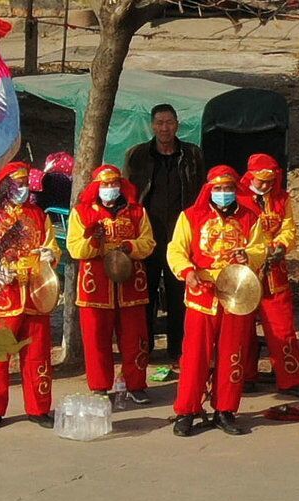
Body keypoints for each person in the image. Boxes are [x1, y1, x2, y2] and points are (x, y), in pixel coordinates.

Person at [167, 164, 271, 438]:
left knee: (233, 355)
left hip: (237, 295)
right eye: (218, 189)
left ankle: (225, 410)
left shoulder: (250, 218)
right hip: (203, 295)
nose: (223, 193)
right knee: (194, 356)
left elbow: (260, 248)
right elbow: (176, 250)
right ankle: (186, 410)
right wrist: (188, 272)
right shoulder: (191, 216)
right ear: (209, 189)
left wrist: (248, 256)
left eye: (228, 189)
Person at [124, 103, 204, 373]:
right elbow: (130, 196)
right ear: (152, 125)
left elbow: (201, 195)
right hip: (149, 235)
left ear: (177, 124)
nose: (164, 128)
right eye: (159, 123)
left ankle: (178, 351)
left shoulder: (192, 155)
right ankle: (143, 349)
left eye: (169, 122)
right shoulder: (137, 156)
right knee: (144, 296)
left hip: (181, 236)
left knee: (178, 293)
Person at [66, 164, 155, 404]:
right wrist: (94, 242)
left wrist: (129, 247)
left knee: (135, 338)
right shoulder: (82, 212)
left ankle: (135, 383)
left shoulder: (136, 211)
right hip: (96, 286)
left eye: (114, 184)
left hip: (130, 284)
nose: (110, 188)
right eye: (105, 185)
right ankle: (99, 386)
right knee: (96, 339)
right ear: (96, 187)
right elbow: (74, 248)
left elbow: (148, 243)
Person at [0, 162, 57, 429]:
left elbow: (51, 246)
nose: (22, 188)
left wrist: (50, 256)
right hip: (5, 296)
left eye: (25, 183)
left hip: (36, 292)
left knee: (37, 354)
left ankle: (38, 408)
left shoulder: (38, 214)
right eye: (17, 183)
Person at [240, 154, 299, 396]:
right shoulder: (237, 198)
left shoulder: (281, 198)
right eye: (261, 181)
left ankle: (290, 379)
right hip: (244, 272)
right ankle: (244, 376)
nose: (266, 186)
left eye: (270, 182)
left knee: (282, 326)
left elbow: (289, 227)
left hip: (274, 273)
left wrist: (281, 245)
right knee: (243, 327)